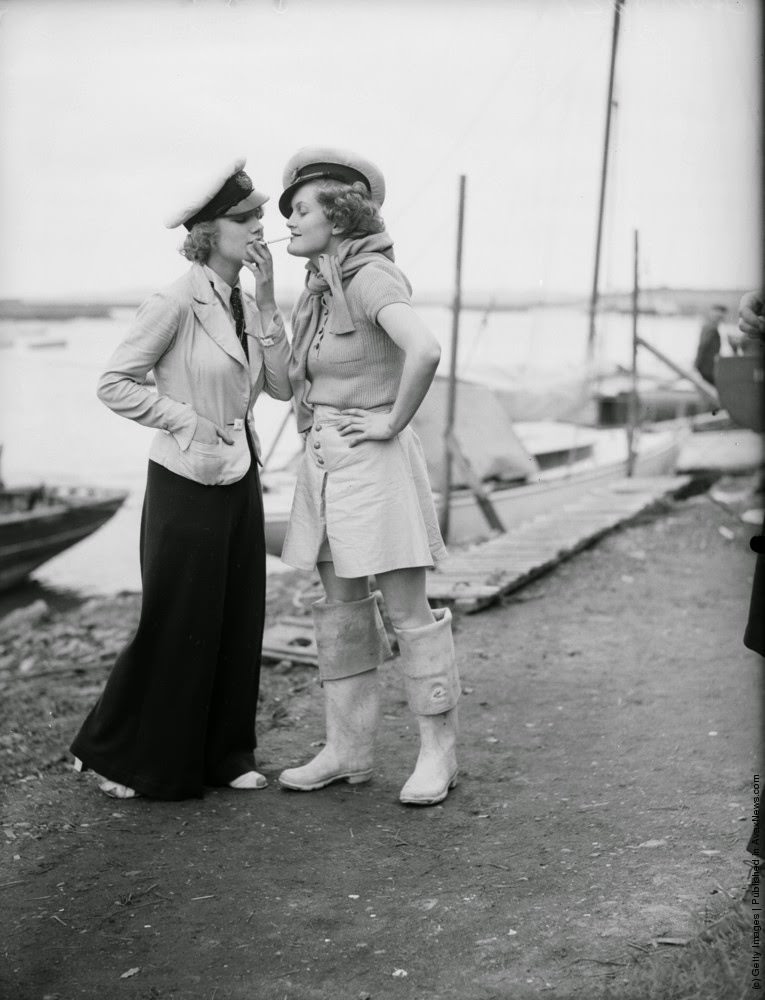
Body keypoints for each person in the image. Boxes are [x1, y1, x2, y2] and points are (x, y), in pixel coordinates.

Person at [70, 158, 292, 800]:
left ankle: (226, 753)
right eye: (245, 218)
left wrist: (272, 301)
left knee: (238, 614)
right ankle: (124, 757)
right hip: (185, 479)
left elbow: (277, 387)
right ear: (207, 231)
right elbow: (114, 383)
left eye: (259, 217)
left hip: (240, 474)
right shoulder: (174, 300)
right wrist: (186, 421)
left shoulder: (247, 303)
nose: (259, 227)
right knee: (177, 619)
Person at [275, 146, 460, 807]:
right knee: (342, 612)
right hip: (325, 464)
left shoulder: (370, 277)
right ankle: (346, 750)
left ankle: (437, 753)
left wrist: (390, 422)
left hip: (374, 463)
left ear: (341, 214)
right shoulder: (319, 292)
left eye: (300, 210)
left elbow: (425, 349)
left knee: (407, 612)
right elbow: (284, 385)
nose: (288, 221)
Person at [693, 303, 727, 386]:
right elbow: (702, 346)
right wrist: (696, 363)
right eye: (719, 317)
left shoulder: (712, 328)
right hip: (706, 367)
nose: (721, 319)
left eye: (721, 317)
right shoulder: (710, 329)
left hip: (711, 366)